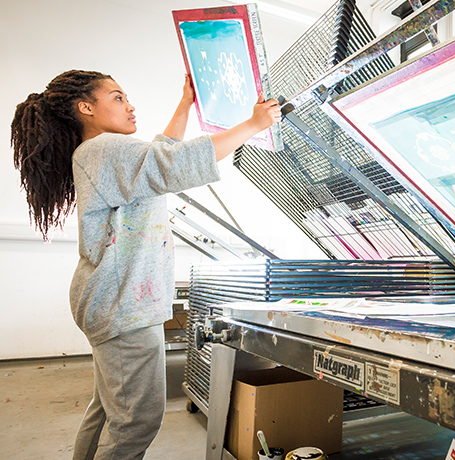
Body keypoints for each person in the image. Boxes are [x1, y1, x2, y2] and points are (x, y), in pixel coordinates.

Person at [11, 69, 281, 460]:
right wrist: (254, 124)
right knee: (137, 420)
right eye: (118, 97)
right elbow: (176, 162)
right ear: (86, 107)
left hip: (109, 300)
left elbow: (162, 152)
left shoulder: (100, 154)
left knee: (107, 410)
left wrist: (185, 104)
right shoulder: (104, 149)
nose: (130, 105)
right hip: (123, 306)